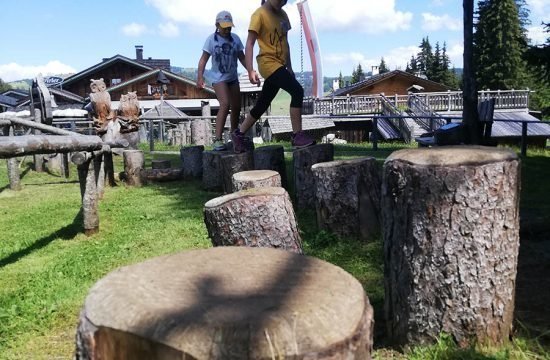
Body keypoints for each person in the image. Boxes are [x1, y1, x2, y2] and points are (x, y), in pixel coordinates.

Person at [231, 0, 315, 153]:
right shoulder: (259, 14)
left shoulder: (283, 15)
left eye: (284, 0)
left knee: (263, 104)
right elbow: (249, 44)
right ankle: (297, 136)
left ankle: (239, 134)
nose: (282, 3)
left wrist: (289, 67)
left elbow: (286, 43)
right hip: (267, 63)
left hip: (280, 64)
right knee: (297, 91)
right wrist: (250, 70)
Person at [197, 10, 246, 151]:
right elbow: (203, 60)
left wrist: (250, 70)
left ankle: (235, 135)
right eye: (224, 26)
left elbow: (242, 57)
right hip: (218, 79)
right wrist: (200, 77)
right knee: (225, 104)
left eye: (229, 26)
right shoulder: (211, 40)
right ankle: (217, 140)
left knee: (236, 106)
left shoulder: (235, 39)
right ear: (217, 24)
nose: (227, 28)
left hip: (232, 78)